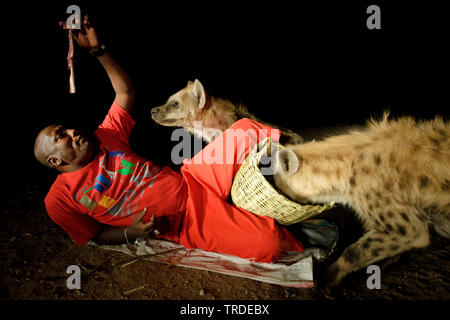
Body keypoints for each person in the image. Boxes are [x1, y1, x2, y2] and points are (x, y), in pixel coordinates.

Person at [34, 15, 305, 263]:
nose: (72, 131)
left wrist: (97, 49)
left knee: (246, 129)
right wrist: (130, 233)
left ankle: (304, 176)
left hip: (194, 178)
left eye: (66, 128)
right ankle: (303, 227)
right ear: (55, 159)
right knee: (272, 245)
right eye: (61, 137)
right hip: (185, 221)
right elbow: (95, 235)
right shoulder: (59, 201)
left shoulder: (104, 135)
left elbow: (125, 92)